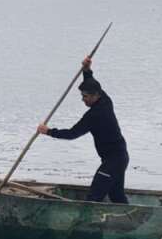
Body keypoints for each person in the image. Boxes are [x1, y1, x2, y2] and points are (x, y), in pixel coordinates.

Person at [37, 57, 129, 203]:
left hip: (114, 161)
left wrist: (48, 131)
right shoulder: (105, 99)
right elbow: (92, 83)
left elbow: (72, 134)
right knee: (116, 196)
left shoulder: (94, 115)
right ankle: (127, 223)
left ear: (95, 95)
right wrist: (87, 70)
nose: (83, 100)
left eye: (85, 96)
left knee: (94, 197)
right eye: (82, 95)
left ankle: (87, 223)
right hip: (120, 157)